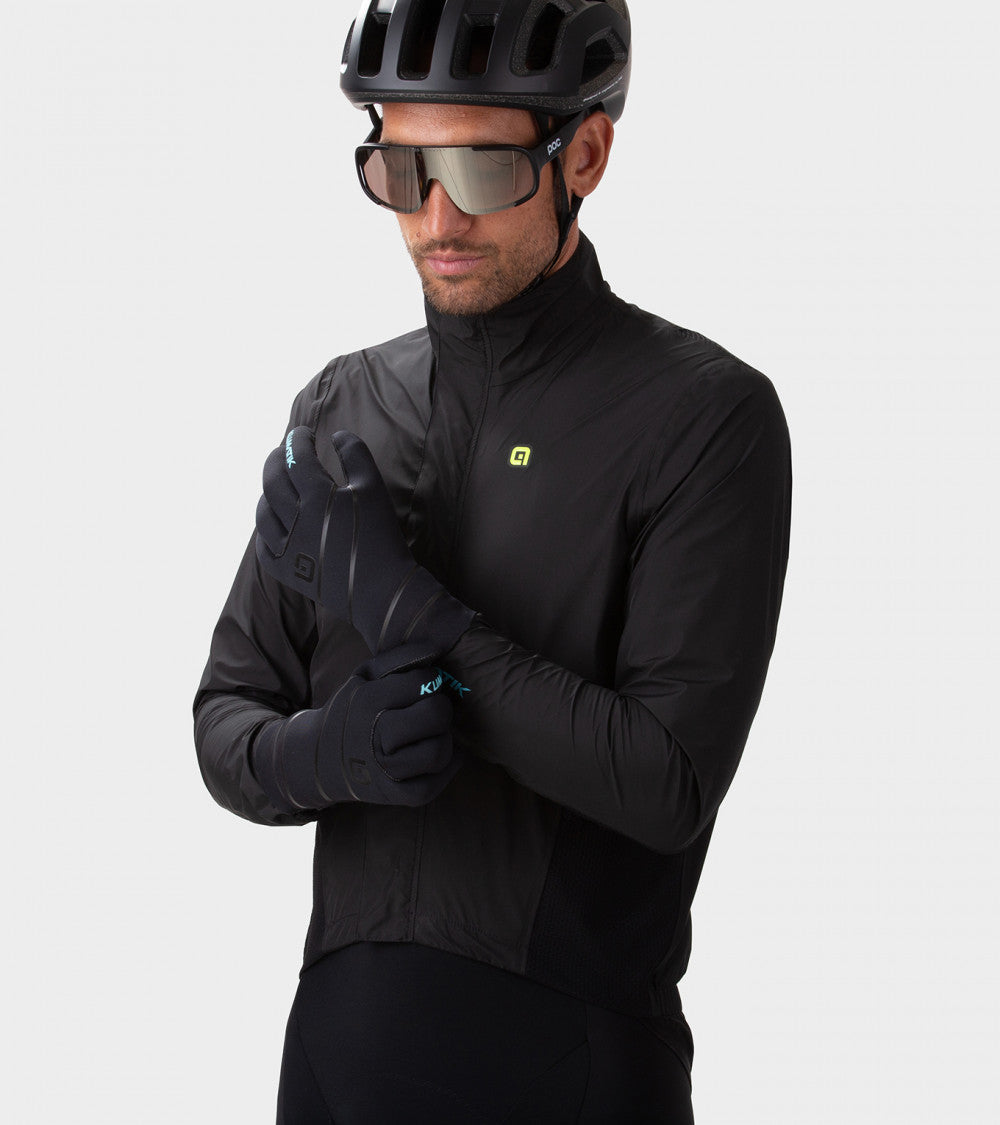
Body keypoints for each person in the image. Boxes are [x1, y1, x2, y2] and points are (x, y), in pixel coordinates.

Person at [194, 1, 791, 1121]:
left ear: (586, 154)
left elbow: (666, 781)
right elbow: (226, 715)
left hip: (564, 1060)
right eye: (401, 169)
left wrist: (415, 618)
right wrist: (328, 751)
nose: (437, 217)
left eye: (481, 169)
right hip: (330, 1051)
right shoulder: (341, 403)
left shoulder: (702, 415)